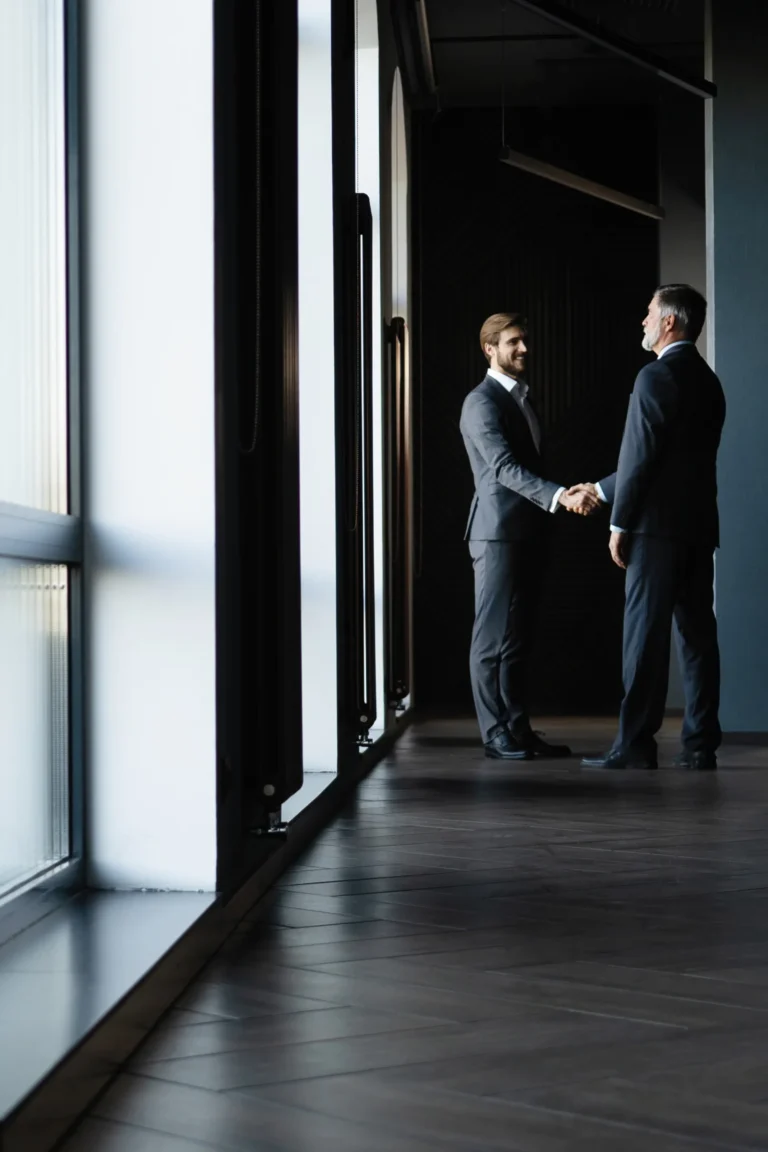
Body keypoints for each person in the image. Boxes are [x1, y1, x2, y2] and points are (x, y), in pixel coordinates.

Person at [571, 285, 725, 771]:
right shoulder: (708, 380)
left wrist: (619, 522)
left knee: (644, 639)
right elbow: (675, 459)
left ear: (669, 323)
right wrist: (601, 485)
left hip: (654, 531)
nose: (642, 321)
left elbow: (640, 458)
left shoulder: (654, 375)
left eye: (649, 313)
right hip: (698, 528)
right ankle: (700, 747)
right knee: (699, 639)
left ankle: (635, 745)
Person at [460, 312, 598, 761]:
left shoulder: (524, 399)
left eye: (525, 341)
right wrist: (561, 496)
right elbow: (502, 469)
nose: (524, 349)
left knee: (517, 640)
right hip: (497, 535)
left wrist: (561, 495)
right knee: (490, 639)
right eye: (513, 342)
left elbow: (530, 467)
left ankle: (517, 729)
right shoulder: (481, 402)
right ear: (490, 349)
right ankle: (494, 733)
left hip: (530, 532)